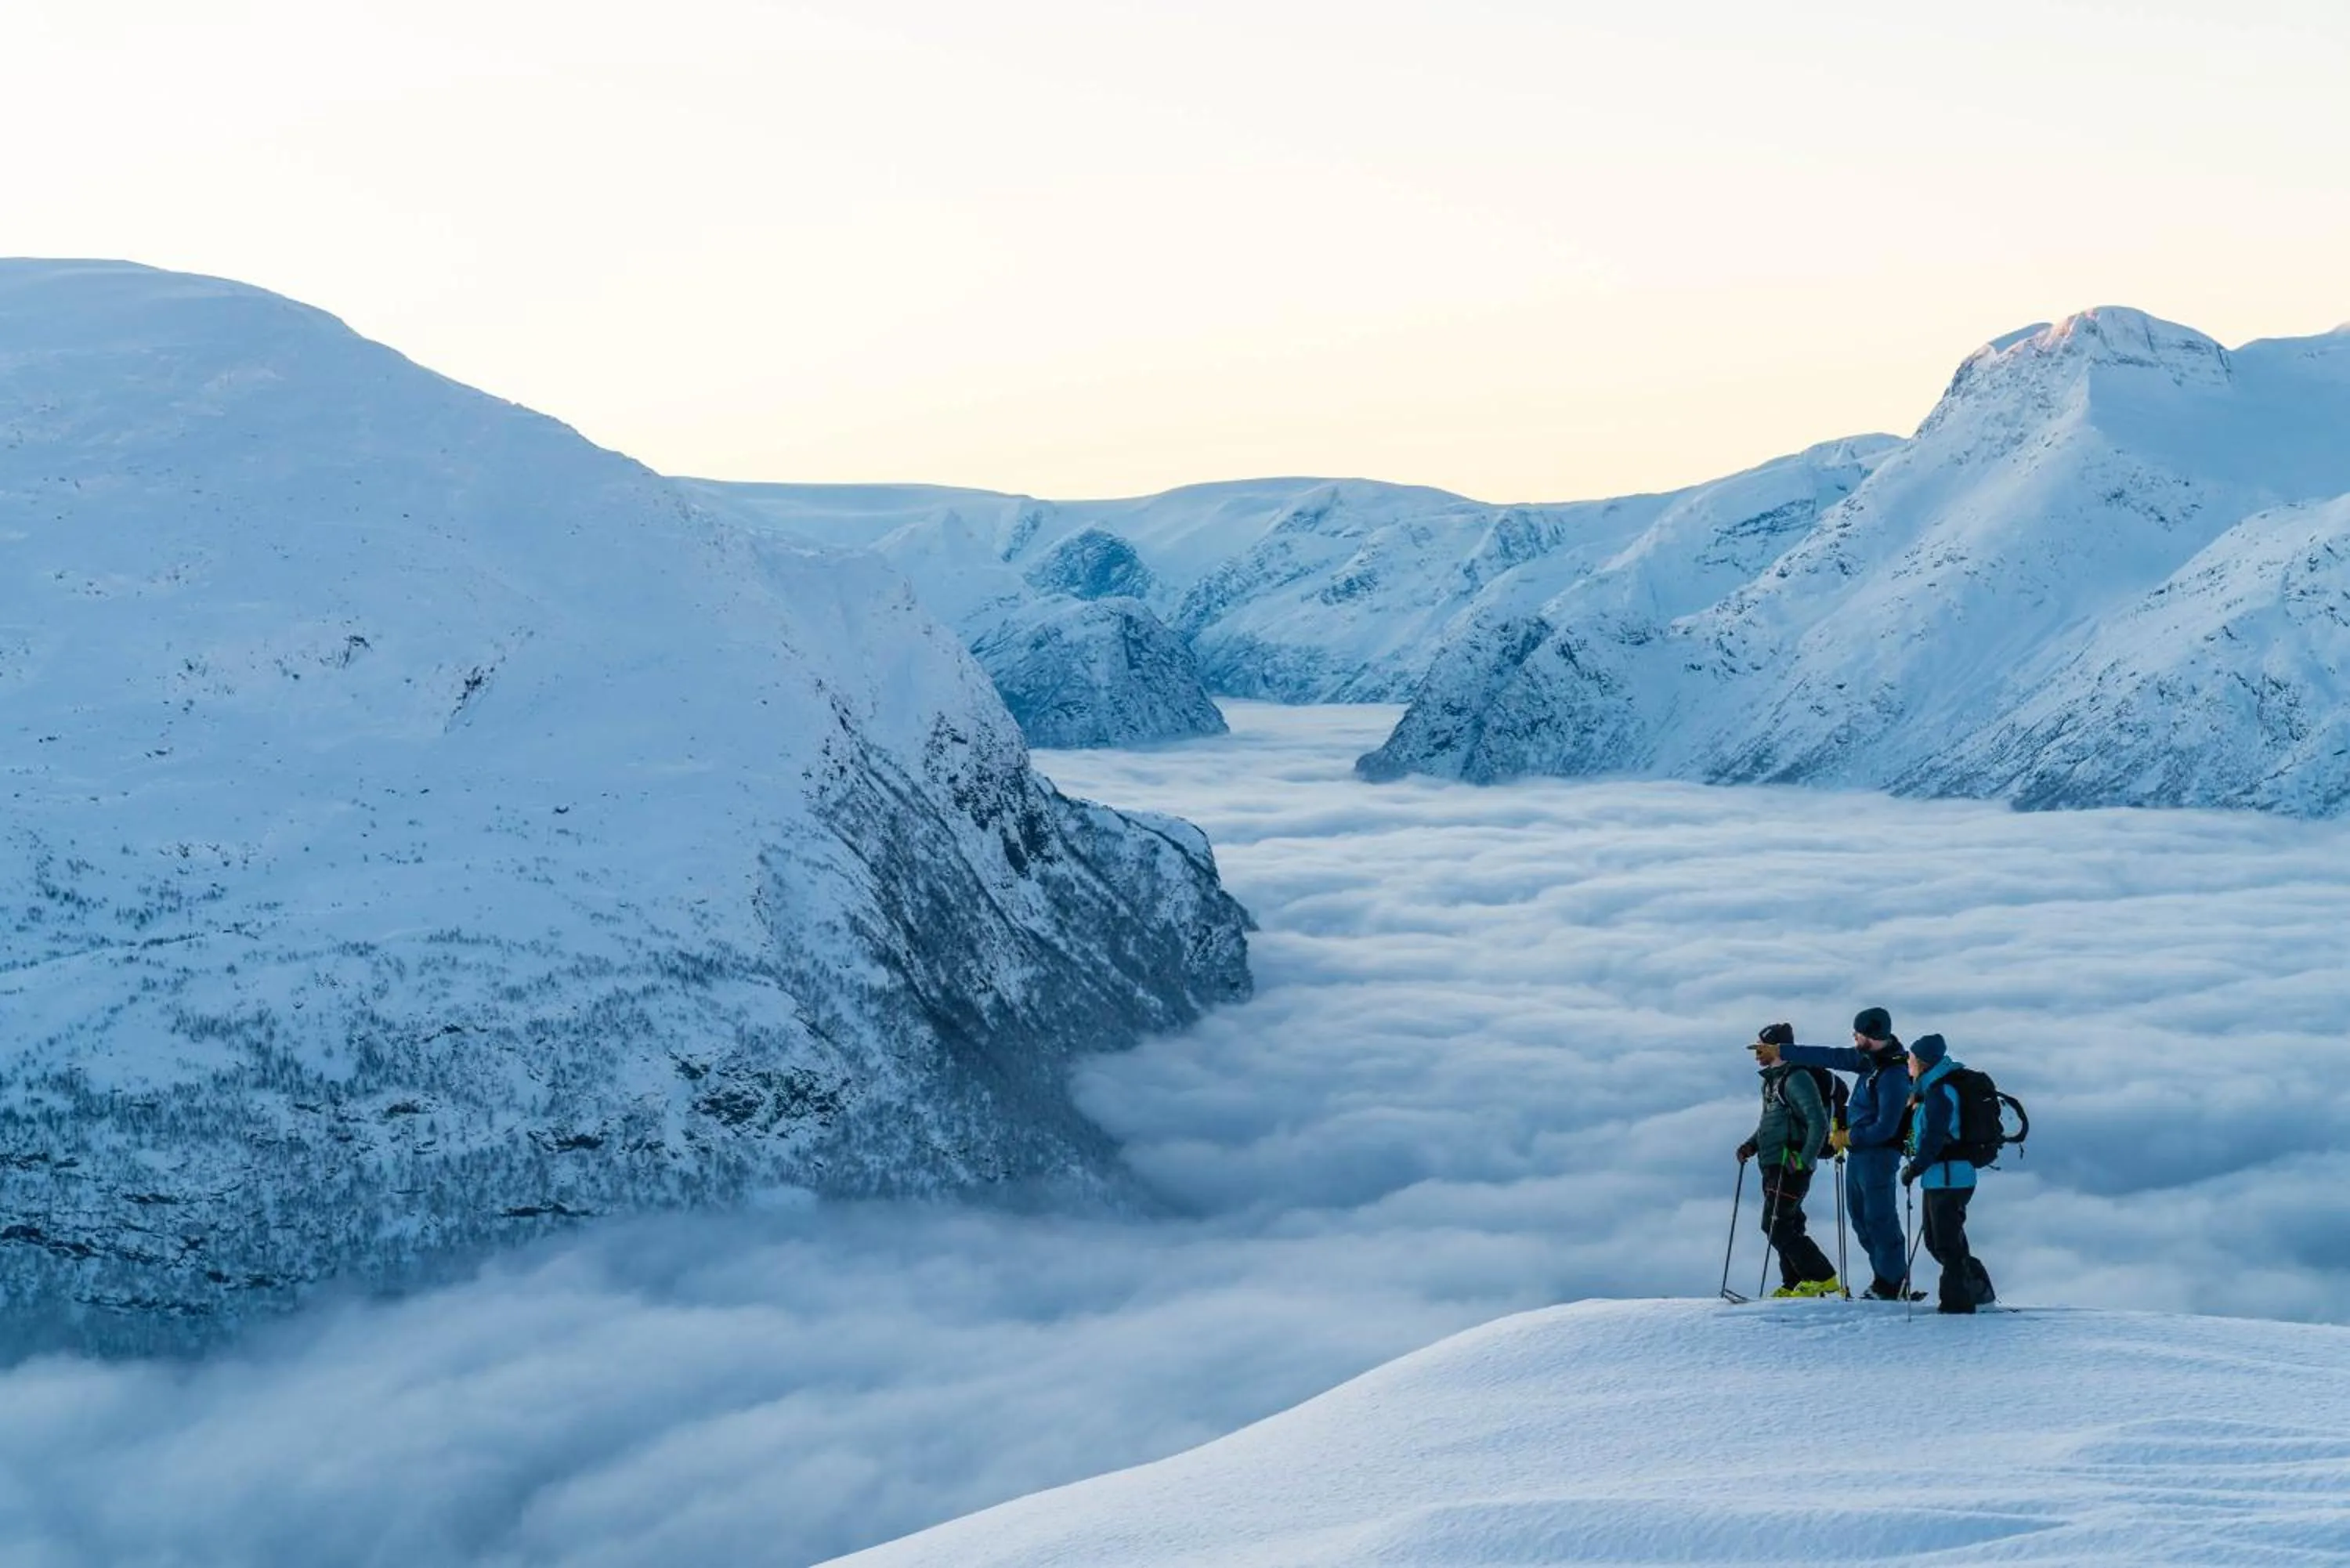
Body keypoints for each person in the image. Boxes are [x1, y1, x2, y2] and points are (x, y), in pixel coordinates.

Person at [1770, 1008, 1913, 1300]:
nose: (1853, 1039)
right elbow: (1830, 1056)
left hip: (1879, 1155)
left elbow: (1886, 1127)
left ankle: (1892, 1284)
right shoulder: (1870, 1061)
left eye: (1857, 1034)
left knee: (1879, 1220)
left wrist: (1848, 1136)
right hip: (1860, 1154)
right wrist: (1782, 1050)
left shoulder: (1892, 1074)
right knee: (1861, 1219)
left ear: (1868, 1037)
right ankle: (1883, 1280)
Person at [1736, 1030, 1840, 1298]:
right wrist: (1751, 1145)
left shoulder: (1796, 1079)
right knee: (1789, 1223)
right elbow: (1769, 1123)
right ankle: (1794, 1282)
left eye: (1762, 1048)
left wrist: (1804, 1160)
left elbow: (1817, 1121)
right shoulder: (1772, 1082)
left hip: (1790, 1163)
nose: (1757, 1054)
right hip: (1772, 1162)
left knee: (1775, 1225)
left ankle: (1822, 1277)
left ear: (1778, 1049)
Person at [1902, 1033, 1996, 1314]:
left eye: (1911, 1059)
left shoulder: (1941, 1093)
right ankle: (1977, 1291)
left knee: (1945, 1243)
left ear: (1921, 1062)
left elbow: (1934, 1139)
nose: (1908, 1064)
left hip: (1948, 1176)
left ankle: (1957, 1306)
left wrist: (1915, 1168)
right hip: (1945, 1175)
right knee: (1939, 1241)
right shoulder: (1934, 1089)